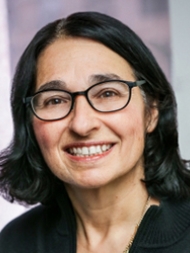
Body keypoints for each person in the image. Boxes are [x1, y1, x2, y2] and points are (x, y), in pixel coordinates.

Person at [0, 11, 190, 253]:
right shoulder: (15, 242)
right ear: (30, 124)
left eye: (108, 94)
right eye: (56, 100)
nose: (82, 124)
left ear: (151, 111)